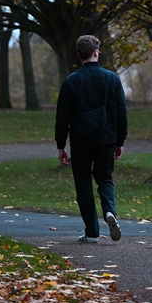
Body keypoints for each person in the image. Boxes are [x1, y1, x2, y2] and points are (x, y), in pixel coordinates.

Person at [55, 35, 128, 243]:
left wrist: (61, 145)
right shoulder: (112, 79)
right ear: (96, 52)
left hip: (81, 140)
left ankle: (92, 233)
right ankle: (109, 212)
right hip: (106, 138)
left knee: (83, 183)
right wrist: (119, 141)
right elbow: (122, 112)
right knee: (105, 178)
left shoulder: (71, 81)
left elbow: (62, 117)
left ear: (79, 55)